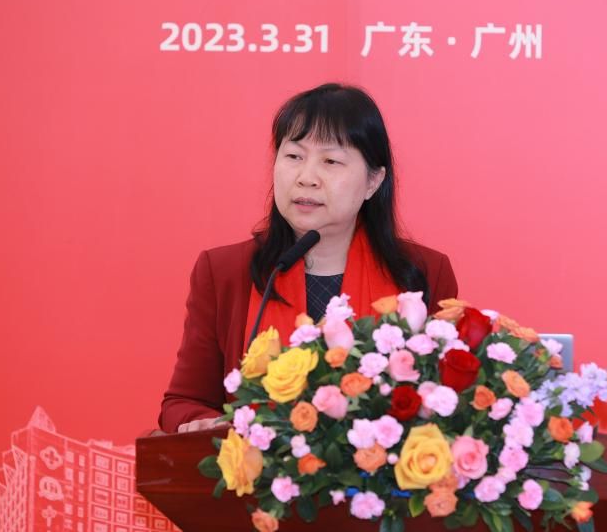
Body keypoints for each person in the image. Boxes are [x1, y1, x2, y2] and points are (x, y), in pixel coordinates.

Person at [159, 83, 458, 434]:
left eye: (330, 161)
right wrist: (203, 425)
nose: (306, 178)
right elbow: (182, 402)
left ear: (373, 181)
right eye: (293, 157)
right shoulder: (225, 272)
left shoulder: (422, 274)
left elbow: (448, 405)